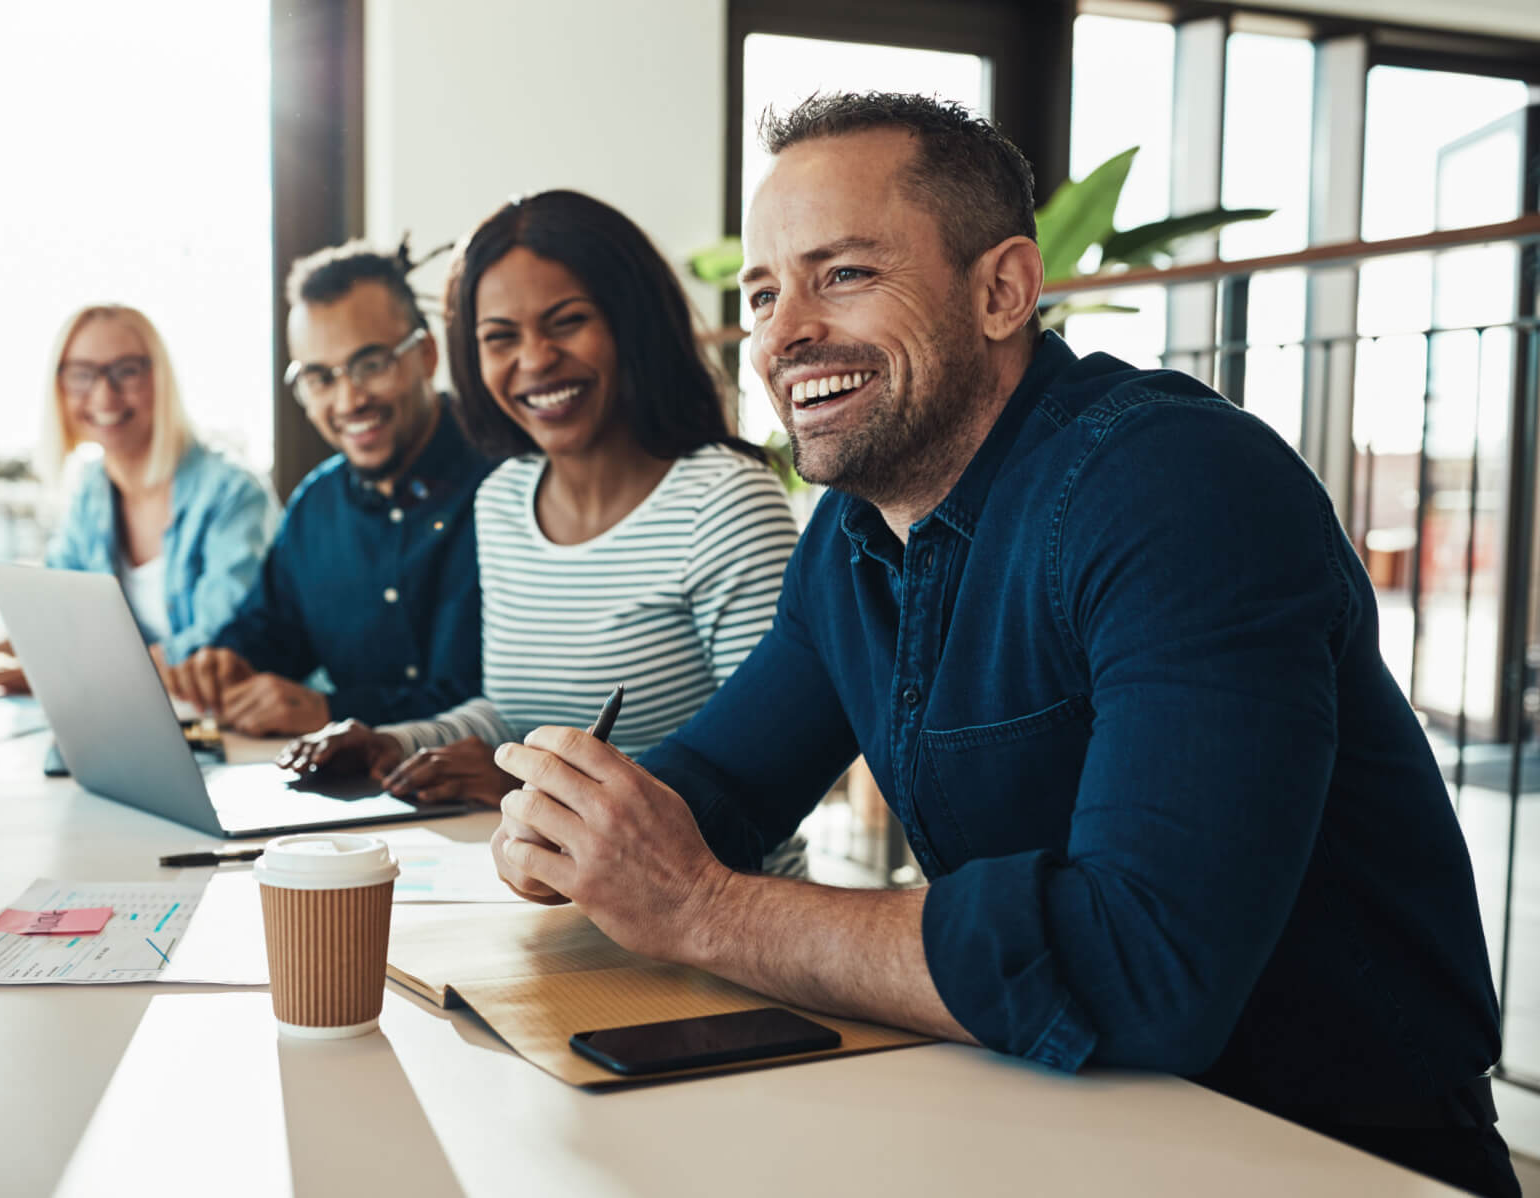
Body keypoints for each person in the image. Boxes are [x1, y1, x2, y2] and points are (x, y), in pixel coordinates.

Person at [486, 94, 1515, 1196]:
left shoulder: (1174, 486)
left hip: (1324, 1154)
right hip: (1050, 1123)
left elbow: (1143, 965)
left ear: (1002, 290)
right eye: (761, 291)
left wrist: (700, 906)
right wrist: (577, 824)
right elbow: (718, 786)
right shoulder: (848, 534)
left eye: (841, 274)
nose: (781, 335)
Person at [277, 191, 799, 820]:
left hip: (706, 906)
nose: (534, 360)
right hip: (539, 890)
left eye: (567, 322)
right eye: (500, 337)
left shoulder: (724, 501)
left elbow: (769, 769)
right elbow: (510, 715)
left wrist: (536, 793)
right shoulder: (503, 498)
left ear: (629, 323)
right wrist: (391, 742)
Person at [158, 240, 496, 735]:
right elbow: (271, 631)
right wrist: (227, 662)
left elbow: (491, 701)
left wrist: (331, 712)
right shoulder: (316, 505)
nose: (349, 400)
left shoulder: (506, 488)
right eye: (319, 377)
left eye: (372, 365)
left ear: (425, 354)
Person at [0, 303, 275, 695]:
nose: (103, 395)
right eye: (82, 374)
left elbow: (217, 650)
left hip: (233, 726)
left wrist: (44, 674)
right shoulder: (92, 490)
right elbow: (55, 621)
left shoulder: (232, 493)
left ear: (160, 379)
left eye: (126, 372)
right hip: (136, 721)